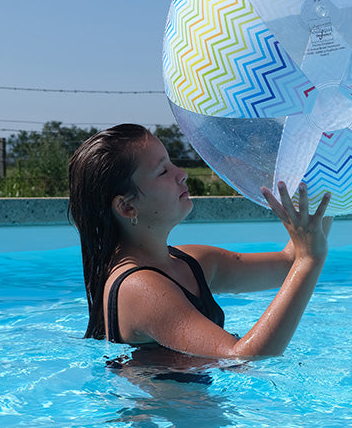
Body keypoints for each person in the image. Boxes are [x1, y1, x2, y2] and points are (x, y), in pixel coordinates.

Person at [68, 124, 332, 359]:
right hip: (169, 416)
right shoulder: (139, 288)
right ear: (127, 207)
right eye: (162, 171)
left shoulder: (191, 262)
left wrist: (329, 180)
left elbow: (288, 265)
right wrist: (310, 259)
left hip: (201, 410)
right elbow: (241, 357)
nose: (181, 173)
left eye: (171, 163)